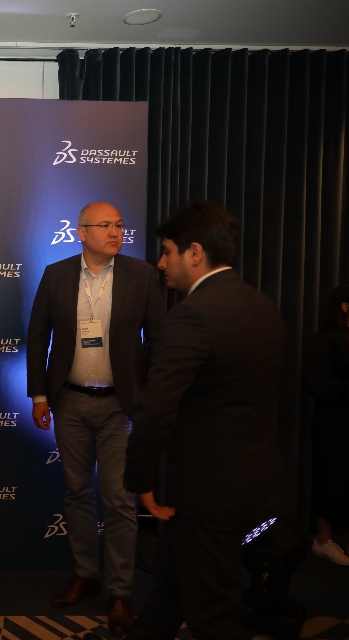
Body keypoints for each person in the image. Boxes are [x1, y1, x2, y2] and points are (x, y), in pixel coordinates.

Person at [125, 201, 291, 640]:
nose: (161, 263)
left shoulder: (192, 316)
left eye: (167, 252)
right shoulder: (263, 306)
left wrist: (140, 480)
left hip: (208, 496)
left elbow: (156, 409)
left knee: (214, 618)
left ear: (195, 253)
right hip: (256, 485)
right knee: (169, 595)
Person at [26, 201, 166, 636]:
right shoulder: (56, 274)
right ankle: (86, 573)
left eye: (119, 225)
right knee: (77, 493)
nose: (115, 232)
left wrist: (151, 400)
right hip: (69, 402)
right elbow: (38, 336)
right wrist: (39, 394)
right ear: (81, 233)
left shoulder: (142, 276)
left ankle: (120, 591)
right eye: (105, 225)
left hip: (120, 405)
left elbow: (159, 341)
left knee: (120, 500)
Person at [304, 284, 349, 565]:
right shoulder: (325, 339)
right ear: (344, 306)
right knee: (330, 480)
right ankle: (322, 540)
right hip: (333, 422)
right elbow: (315, 383)